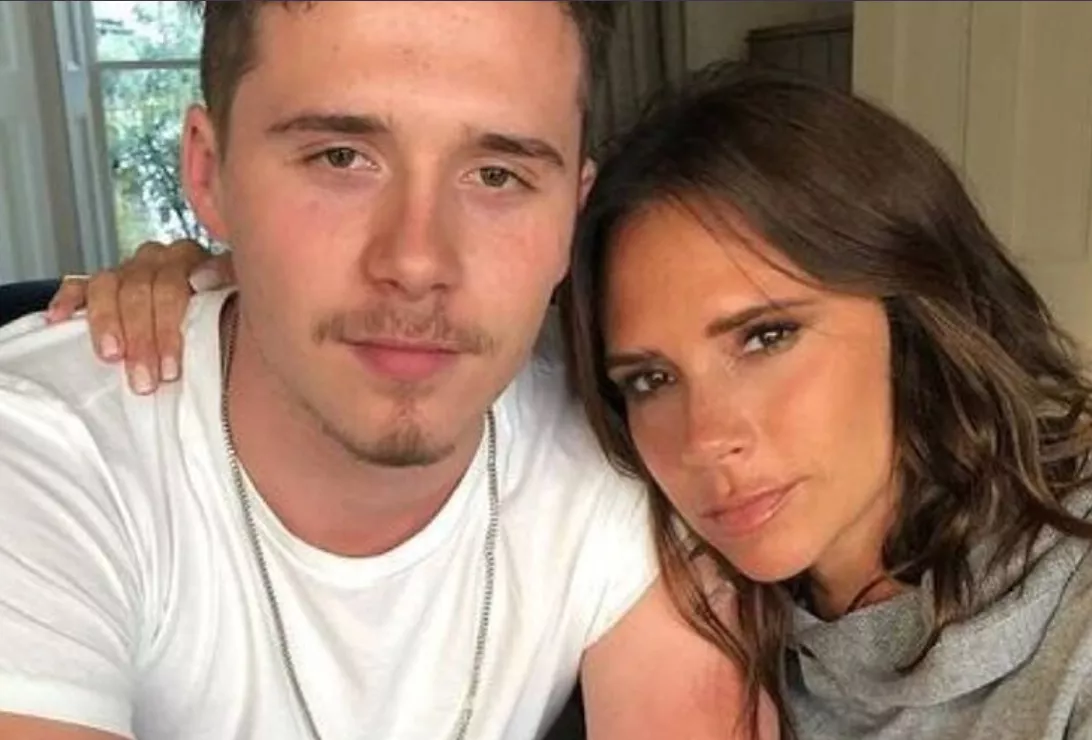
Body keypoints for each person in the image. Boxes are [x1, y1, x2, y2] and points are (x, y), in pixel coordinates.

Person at [69, 63, 1092, 739]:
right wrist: (229, 288)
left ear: (918, 305)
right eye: (650, 378)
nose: (708, 438)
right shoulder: (692, 571)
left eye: (766, 336)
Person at [0, 3, 754, 739]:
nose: (417, 262)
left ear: (571, 215)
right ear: (209, 171)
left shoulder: (635, 447)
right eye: (340, 158)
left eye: (497, 175)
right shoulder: (41, 448)